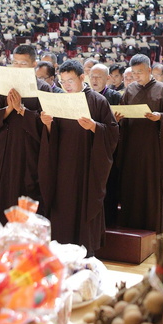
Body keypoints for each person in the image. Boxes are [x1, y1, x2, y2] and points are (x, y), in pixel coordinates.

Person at [38, 59, 118, 255]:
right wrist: (47, 124)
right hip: (62, 168)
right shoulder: (59, 100)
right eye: (63, 82)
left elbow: (113, 132)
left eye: (70, 81)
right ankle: (60, 250)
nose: (66, 86)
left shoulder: (98, 101)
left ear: (82, 78)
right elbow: (52, 136)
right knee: (61, 205)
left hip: (87, 167)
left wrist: (94, 127)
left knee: (84, 207)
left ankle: (85, 252)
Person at [114, 54, 163, 232]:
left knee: (150, 187)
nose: (136, 76)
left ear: (149, 70)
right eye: (133, 73)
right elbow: (123, 112)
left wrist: (160, 117)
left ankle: (151, 228)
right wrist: (118, 118)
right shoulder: (130, 90)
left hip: (153, 149)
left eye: (140, 72)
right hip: (131, 147)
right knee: (131, 185)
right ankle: (129, 225)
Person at [0, 44, 51, 215]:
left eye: (22, 64)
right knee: (4, 189)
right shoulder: (4, 86)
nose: (17, 67)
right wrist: (9, 109)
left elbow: (47, 121)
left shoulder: (43, 88)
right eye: (15, 62)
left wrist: (22, 110)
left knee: (28, 188)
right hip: (6, 150)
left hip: (29, 151)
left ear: (33, 64)